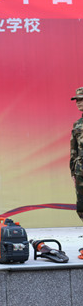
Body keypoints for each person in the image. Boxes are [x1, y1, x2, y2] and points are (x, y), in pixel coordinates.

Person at [70, 87, 83, 221]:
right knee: (81, 206)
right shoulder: (77, 124)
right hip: (81, 171)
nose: (78, 103)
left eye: (81, 100)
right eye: (77, 100)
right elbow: (73, 149)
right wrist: (73, 171)